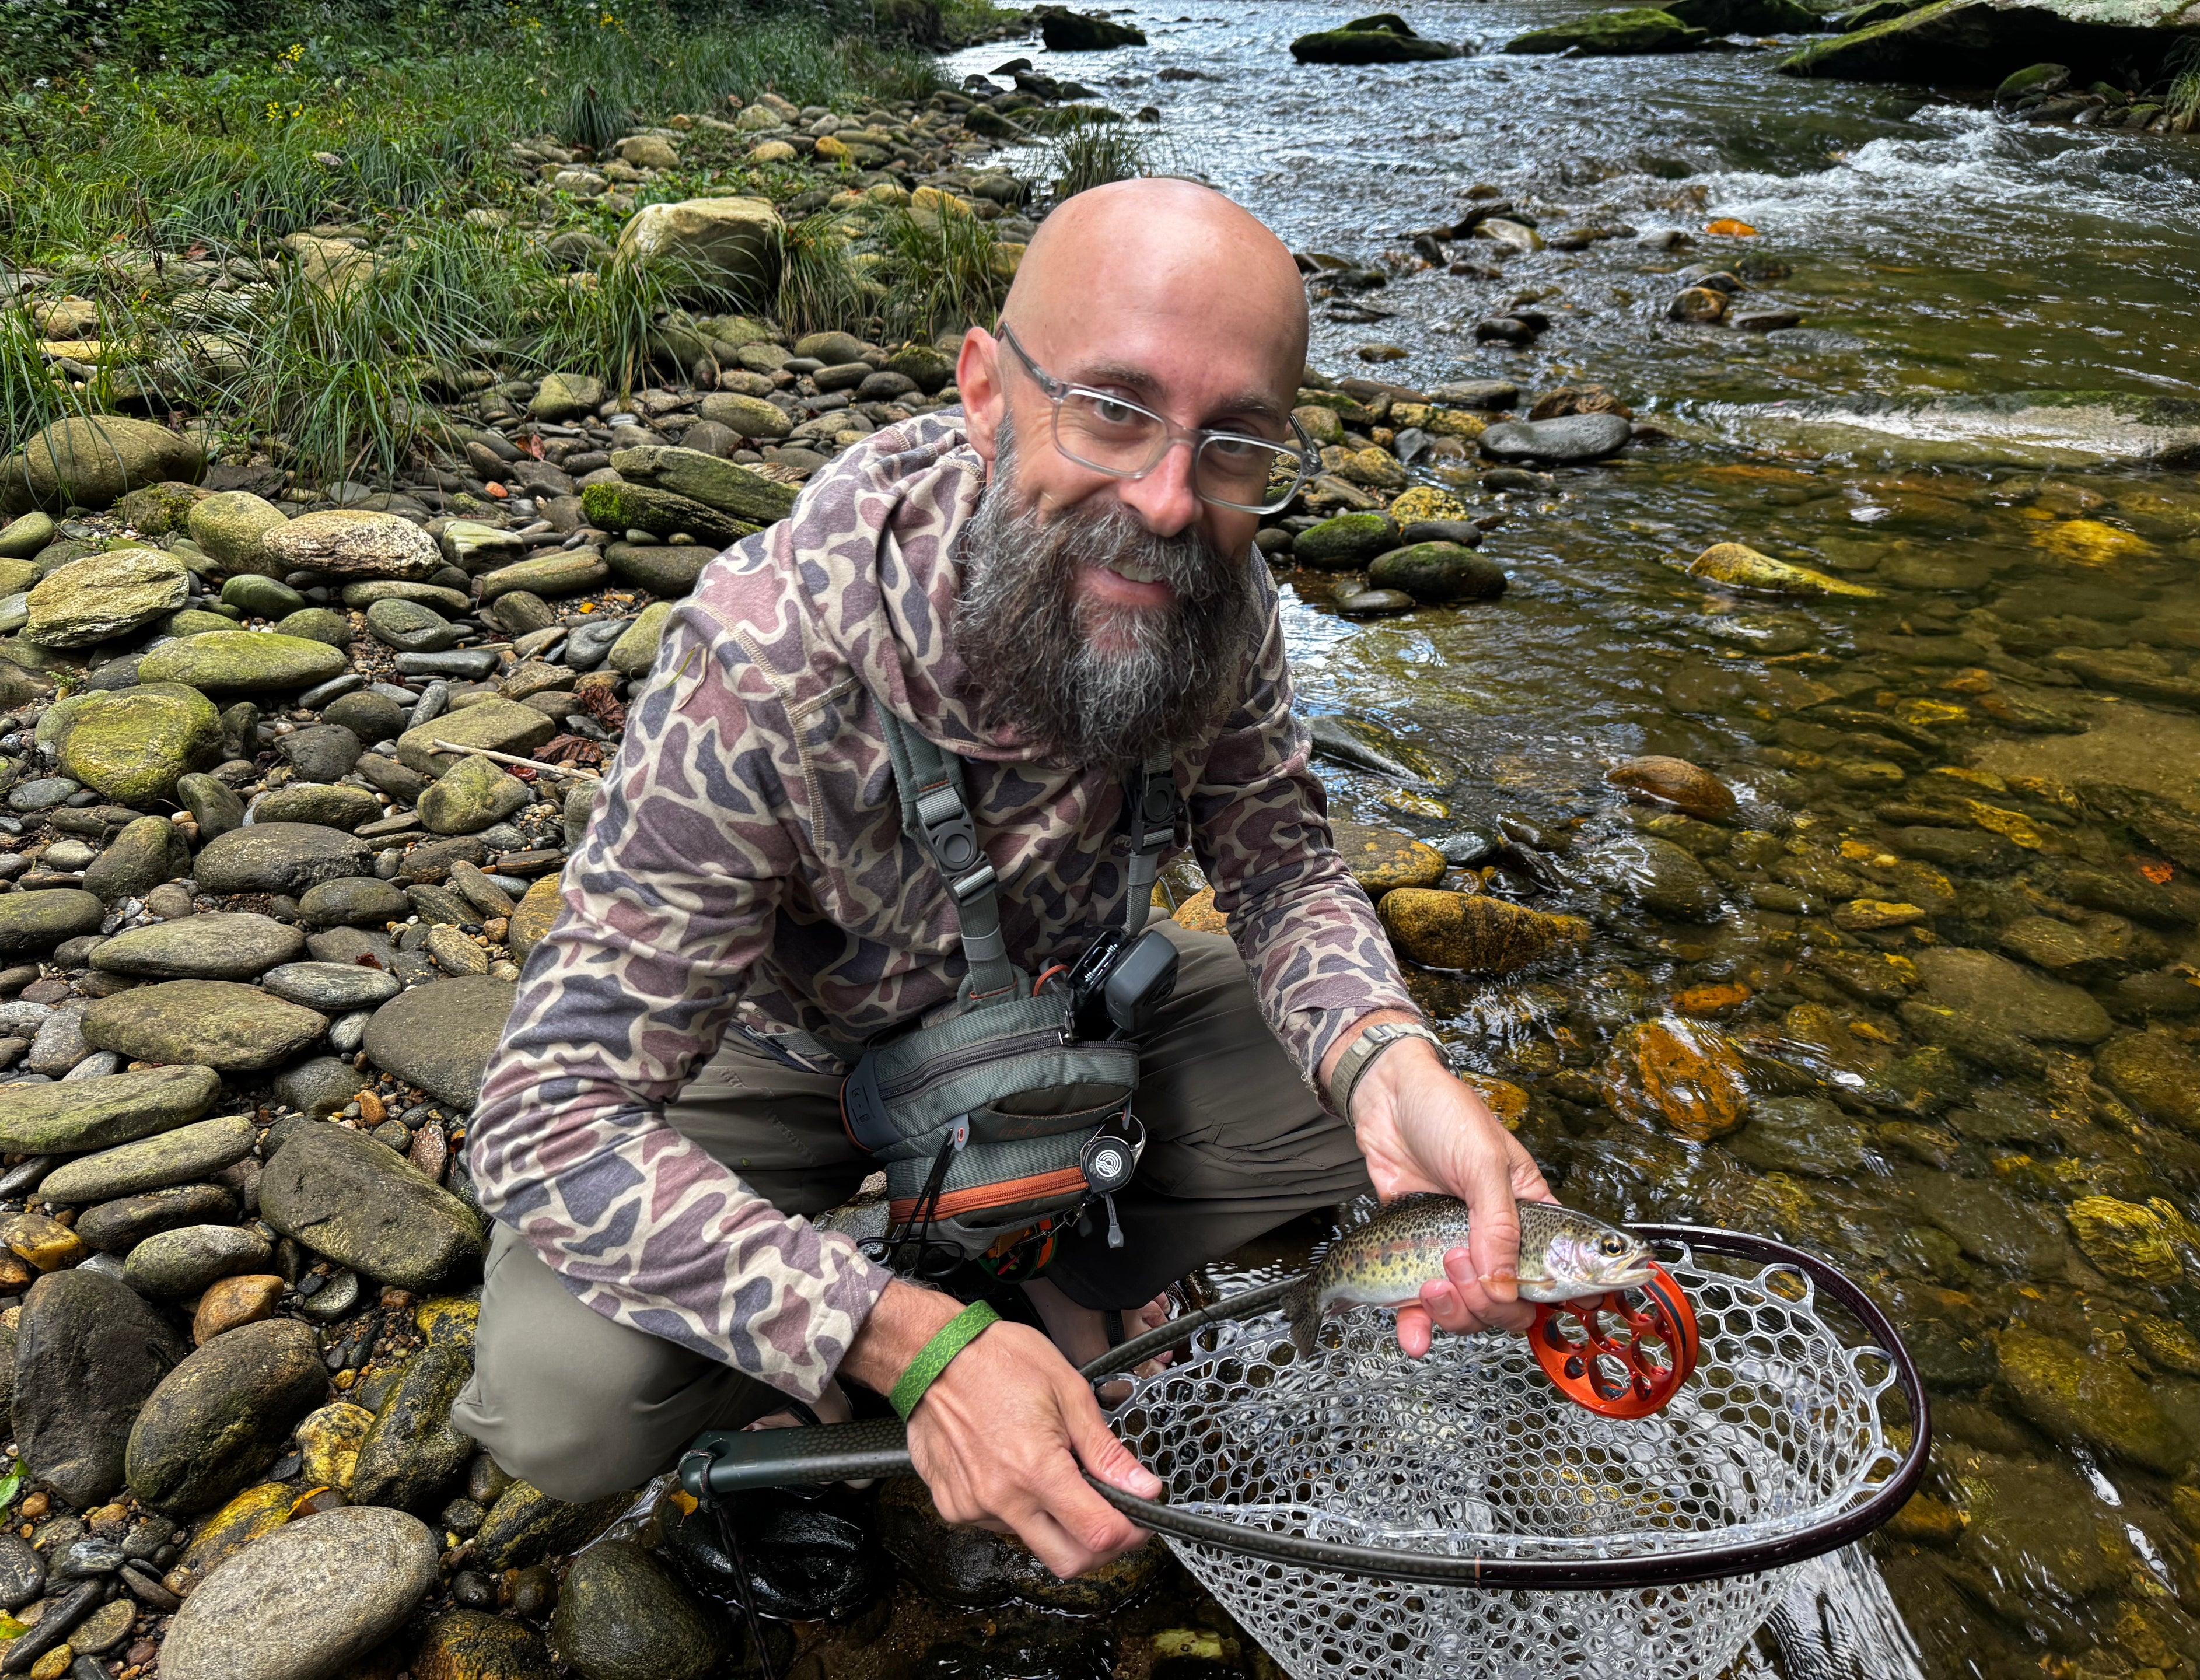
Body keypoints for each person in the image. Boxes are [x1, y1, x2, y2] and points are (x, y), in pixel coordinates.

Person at [453, 177, 1550, 1580]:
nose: (1165, 498)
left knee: (1394, 1141)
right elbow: (546, 1121)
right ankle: (921, 1302)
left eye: (1235, 445)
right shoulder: (764, 659)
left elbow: (1280, 877)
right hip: (788, 1061)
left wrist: (1393, 1071)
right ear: (987, 388)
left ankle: (1054, 1261)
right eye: (1111, 408)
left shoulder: (1218, 588)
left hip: (1061, 1029)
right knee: (567, 1403)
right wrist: (905, 1343)